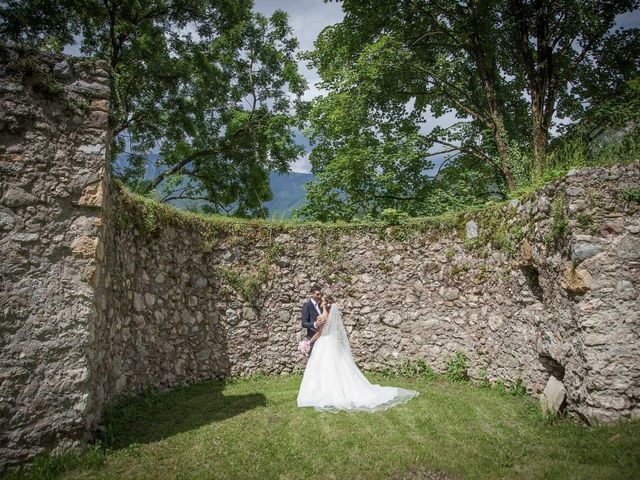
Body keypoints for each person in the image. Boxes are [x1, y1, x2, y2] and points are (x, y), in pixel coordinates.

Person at [297, 296, 419, 412]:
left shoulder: (322, 317)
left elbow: (319, 333)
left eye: (322, 301)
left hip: (324, 343)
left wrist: (308, 342)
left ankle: (323, 391)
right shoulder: (332, 316)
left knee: (323, 367)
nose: (321, 301)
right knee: (337, 366)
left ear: (324, 304)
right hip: (332, 343)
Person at [301, 285, 325, 352]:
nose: (319, 296)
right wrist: (315, 324)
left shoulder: (321, 306)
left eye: (321, 294)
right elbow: (304, 323)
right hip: (313, 337)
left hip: (322, 337)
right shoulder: (307, 305)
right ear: (312, 294)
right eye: (317, 294)